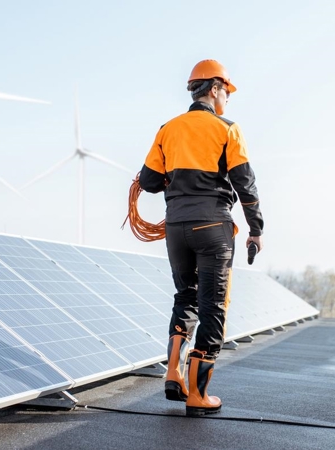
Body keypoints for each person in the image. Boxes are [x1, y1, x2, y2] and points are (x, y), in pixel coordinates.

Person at [138, 59, 264, 416]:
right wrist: (256, 229)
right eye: (226, 91)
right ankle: (198, 394)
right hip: (213, 229)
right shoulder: (228, 129)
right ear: (214, 88)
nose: (228, 99)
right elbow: (245, 184)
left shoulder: (168, 129)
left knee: (186, 297)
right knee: (213, 306)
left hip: (176, 228)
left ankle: (173, 372)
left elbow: (148, 182)